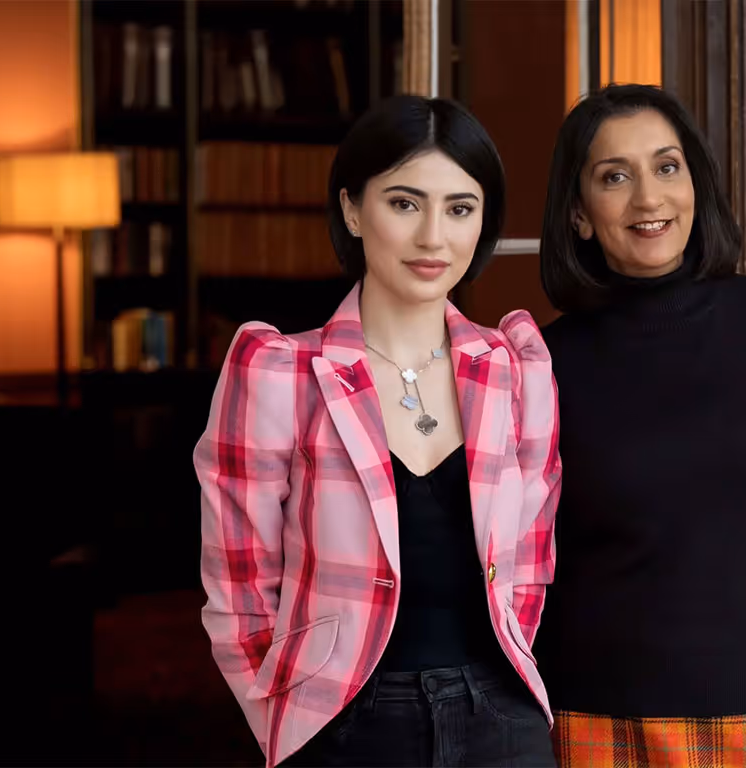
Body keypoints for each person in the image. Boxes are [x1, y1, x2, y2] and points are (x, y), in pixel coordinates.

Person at [195, 95, 561, 768]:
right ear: (352, 209)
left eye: (460, 208)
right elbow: (239, 585)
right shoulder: (281, 370)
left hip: (502, 727)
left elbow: (530, 571)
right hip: (338, 725)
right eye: (403, 203)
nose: (433, 238)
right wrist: (283, 716)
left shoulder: (516, 370)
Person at [533, 84, 746, 768]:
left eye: (667, 167)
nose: (649, 199)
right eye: (614, 177)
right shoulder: (542, 363)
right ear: (578, 214)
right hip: (591, 727)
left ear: (696, 184)